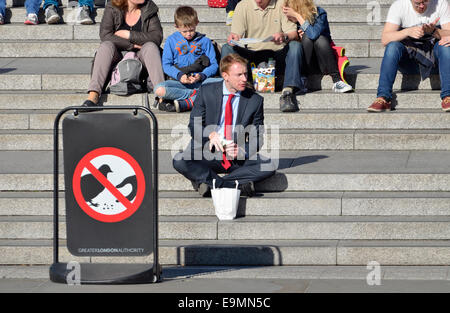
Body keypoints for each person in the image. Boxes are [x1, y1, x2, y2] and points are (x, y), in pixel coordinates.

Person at [172, 53, 276, 197]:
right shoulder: (206, 91)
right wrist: (209, 135)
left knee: (269, 164)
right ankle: (232, 186)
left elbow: (258, 137)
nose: (244, 79)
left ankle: (211, 184)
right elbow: (193, 125)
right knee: (180, 160)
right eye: (239, 75)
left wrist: (243, 151)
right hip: (207, 151)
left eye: (245, 74)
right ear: (225, 76)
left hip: (235, 156)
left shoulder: (255, 100)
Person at [367, 0, 450, 112]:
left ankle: (447, 96)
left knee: (445, 46)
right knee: (392, 46)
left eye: (425, 1)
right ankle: (383, 97)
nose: (421, 6)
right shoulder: (399, 6)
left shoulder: (441, 4)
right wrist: (407, 32)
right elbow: (385, 39)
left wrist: (435, 31)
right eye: (417, 3)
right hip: (409, 61)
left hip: (434, 62)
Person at [221, 0, 303, 113]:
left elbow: (293, 33)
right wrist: (234, 38)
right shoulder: (243, 5)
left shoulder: (282, 4)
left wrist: (284, 36)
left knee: (295, 46)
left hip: (277, 53)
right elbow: (237, 34)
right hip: (251, 54)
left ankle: (288, 91)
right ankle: (230, 89)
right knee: (227, 48)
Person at [82, 0, 164, 108]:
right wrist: (132, 46)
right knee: (106, 46)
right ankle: (93, 95)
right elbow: (105, 35)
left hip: (141, 60)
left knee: (151, 47)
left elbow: (156, 37)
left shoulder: (149, 8)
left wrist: (129, 34)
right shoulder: (112, 7)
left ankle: (163, 97)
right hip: (117, 58)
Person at [154, 6, 220, 113]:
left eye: (191, 30)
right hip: (180, 82)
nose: (188, 34)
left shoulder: (205, 41)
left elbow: (214, 65)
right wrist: (179, 75)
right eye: (184, 31)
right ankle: (194, 95)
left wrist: (202, 75)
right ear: (176, 27)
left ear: (196, 23)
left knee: (225, 83)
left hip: (200, 81)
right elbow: (166, 65)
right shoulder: (171, 41)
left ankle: (189, 101)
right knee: (159, 89)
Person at [282, 0, 353, 93]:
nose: (287, 15)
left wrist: (297, 16)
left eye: (289, 12)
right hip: (306, 63)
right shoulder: (289, 23)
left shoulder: (319, 13)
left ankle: (337, 81)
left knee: (319, 39)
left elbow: (313, 34)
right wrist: (297, 38)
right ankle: (302, 79)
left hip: (323, 62)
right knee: (305, 39)